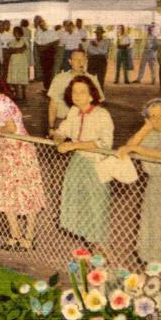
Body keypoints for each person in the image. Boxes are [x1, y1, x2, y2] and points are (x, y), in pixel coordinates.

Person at [0, 70, 45, 251]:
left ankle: (29, 238)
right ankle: (15, 235)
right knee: (7, 193)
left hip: (21, 149)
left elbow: (11, 127)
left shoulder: (1, 100)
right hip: (6, 150)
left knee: (27, 193)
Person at [52, 76, 114, 252]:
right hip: (77, 163)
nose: (77, 95)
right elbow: (61, 131)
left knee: (96, 209)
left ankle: (103, 257)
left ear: (91, 96)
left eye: (82, 92)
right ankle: (91, 253)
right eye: (74, 91)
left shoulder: (102, 114)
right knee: (79, 205)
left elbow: (104, 143)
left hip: (96, 164)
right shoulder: (73, 111)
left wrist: (74, 145)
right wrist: (58, 139)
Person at [116, 98, 161, 266]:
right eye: (152, 116)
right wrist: (146, 127)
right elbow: (128, 145)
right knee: (154, 226)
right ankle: (157, 268)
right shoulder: (150, 131)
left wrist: (136, 149)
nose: (158, 119)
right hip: (155, 186)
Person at [47, 50, 105, 132]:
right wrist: (51, 127)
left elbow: (98, 104)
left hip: (86, 124)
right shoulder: (59, 78)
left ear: (86, 61)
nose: (79, 62)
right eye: (76, 59)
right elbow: (53, 104)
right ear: (70, 62)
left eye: (82, 59)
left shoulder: (92, 79)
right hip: (62, 121)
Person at [35, 17, 59, 91]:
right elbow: (38, 44)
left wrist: (46, 46)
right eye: (39, 23)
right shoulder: (38, 33)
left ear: (45, 23)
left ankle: (51, 88)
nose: (41, 24)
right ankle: (47, 88)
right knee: (45, 72)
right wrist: (44, 47)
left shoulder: (51, 31)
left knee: (50, 71)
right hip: (42, 54)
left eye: (42, 22)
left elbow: (56, 41)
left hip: (50, 53)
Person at [7, 26, 29, 100]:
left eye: (17, 31)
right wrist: (17, 50)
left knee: (22, 76)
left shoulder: (24, 40)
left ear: (20, 32)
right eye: (14, 32)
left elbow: (22, 49)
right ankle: (16, 94)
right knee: (14, 76)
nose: (16, 33)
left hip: (21, 60)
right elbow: (10, 50)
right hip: (13, 60)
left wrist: (15, 50)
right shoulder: (12, 41)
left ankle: (24, 94)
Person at [87, 27, 110, 92]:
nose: (98, 34)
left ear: (102, 33)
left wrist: (97, 46)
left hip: (101, 60)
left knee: (101, 79)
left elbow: (104, 52)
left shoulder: (106, 41)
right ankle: (91, 95)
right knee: (90, 78)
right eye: (97, 33)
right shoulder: (91, 41)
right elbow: (90, 51)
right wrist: (99, 51)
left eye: (99, 33)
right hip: (93, 60)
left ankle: (100, 96)